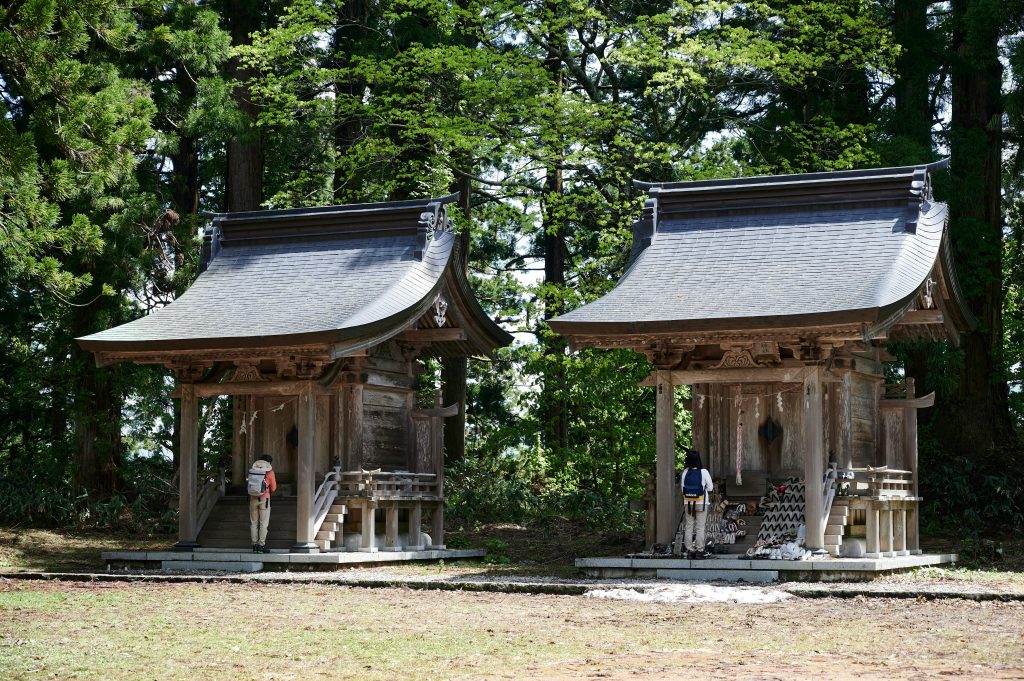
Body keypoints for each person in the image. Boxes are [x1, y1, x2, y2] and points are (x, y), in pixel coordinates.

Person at [680, 449, 714, 559]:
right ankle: (700, 551)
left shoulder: (685, 472)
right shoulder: (704, 472)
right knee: (700, 527)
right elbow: (710, 488)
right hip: (701, 502)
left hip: (688, 503)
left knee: (689, 526)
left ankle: (690, 551)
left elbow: (682, 489)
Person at [248, 454, 277, 553]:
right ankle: (261, 546)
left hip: (252, 498)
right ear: (269, 463)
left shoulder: (252, 470)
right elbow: (273, 488)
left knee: (253, 523)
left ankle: (254, 545)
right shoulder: (270, 472)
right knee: (263, 523)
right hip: (264, 499)